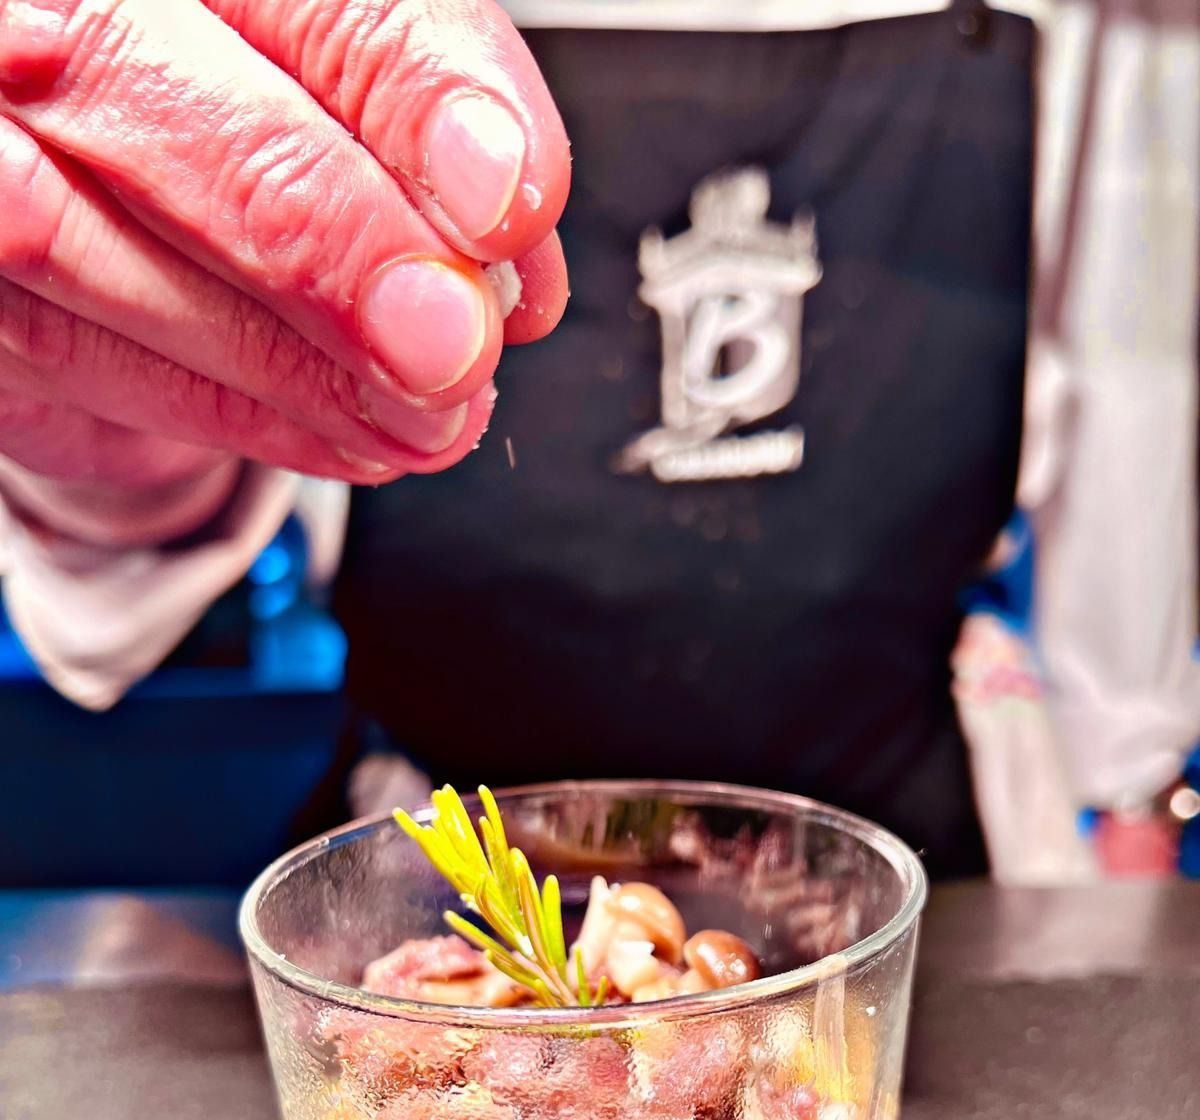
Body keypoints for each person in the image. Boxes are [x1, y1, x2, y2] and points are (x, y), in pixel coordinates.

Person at [1, 1, 1196, 881]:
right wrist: (115, 395)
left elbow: (1139, 387)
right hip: (449, 883)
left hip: (905, 877)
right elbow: (124, 564)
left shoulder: (1112, 39)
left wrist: (1130, 788)